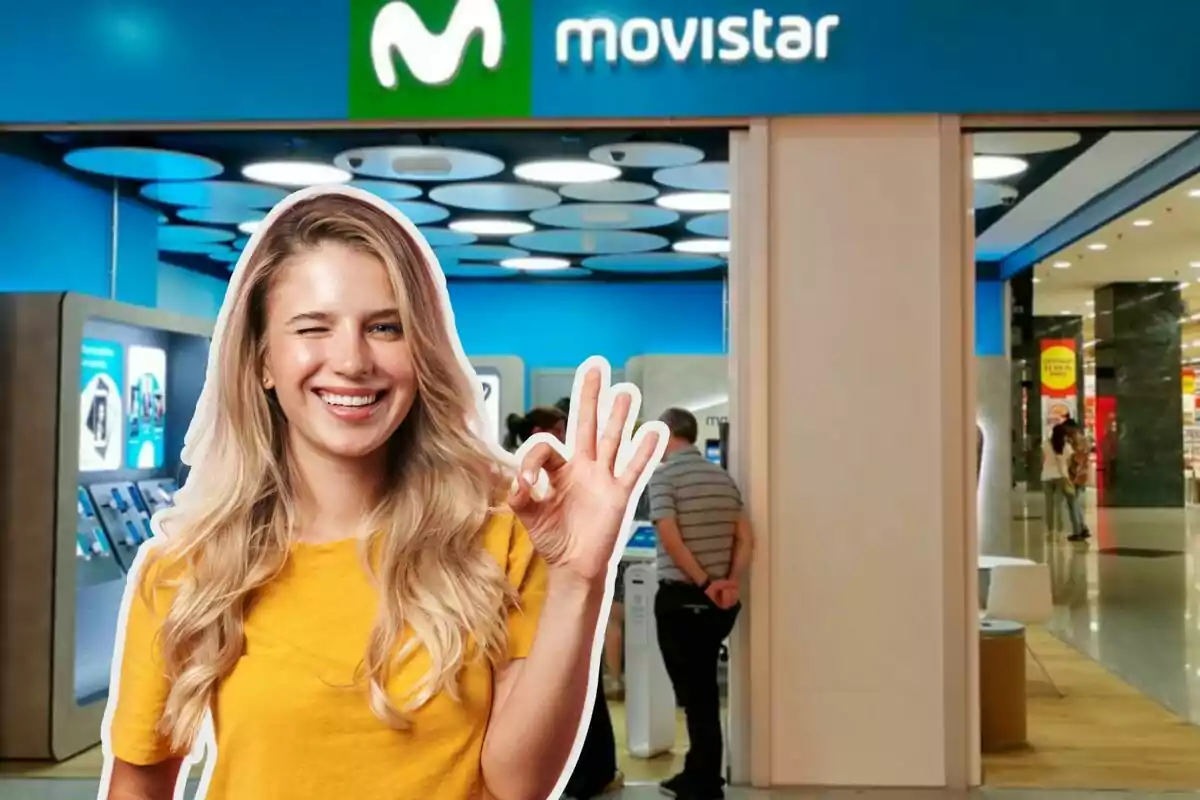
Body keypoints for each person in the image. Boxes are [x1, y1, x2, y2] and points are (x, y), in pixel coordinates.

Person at [100, 186, 665, 800]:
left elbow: (520, 783)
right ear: (263, 360)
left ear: (421, 351)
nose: (351, 360)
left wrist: (581, 578)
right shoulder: (187, 570)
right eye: (313, 327)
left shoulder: (500, 540)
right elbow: (138, 784)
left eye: (385, 327)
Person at [505, 402, 624, 799]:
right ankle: (590, 774)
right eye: (559, 427)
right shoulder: (520, 479)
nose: (565, 435)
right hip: (540, 611)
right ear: (544, 430)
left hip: (546, 609)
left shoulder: (537, 476)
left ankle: (590, 774)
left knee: (573, 696)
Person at [648, 408, 755, 800]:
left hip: (683, 598)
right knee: (704, 690)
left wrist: (707, 583)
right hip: (719, 602)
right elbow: (745, 537)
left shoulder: (664, 477)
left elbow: (670, 538)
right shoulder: (722, 477)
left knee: (696, 696)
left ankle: (704, 781)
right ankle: (699, 769)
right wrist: (730, 582)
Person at [1063, 419, 1092, 542]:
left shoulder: (1075, 441)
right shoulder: (1084, 440)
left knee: (1072, 503)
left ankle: (1077, 531)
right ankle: (1083, 527)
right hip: (1081, 475)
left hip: (1075, 475)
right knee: (1076, 502)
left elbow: (1077, 458)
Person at [1041, 423, 1071, 537]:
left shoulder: (1046, 444)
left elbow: (1042, 460)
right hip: (1060, 476)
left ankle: (1049, 530)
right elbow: (1068, 462)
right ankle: (1060, 530)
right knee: (1059, 504)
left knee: (1048, 504)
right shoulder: (1067, 446)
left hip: (1046, 476)